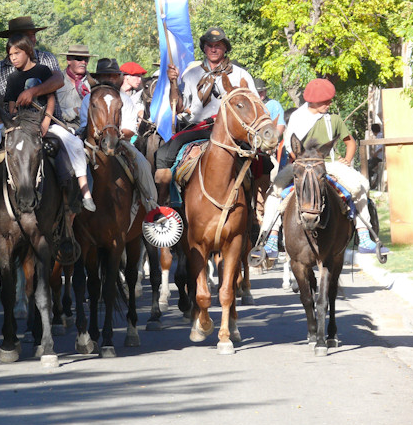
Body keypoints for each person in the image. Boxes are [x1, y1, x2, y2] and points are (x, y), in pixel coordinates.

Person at [254, 78, 386, 260]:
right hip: (300, 164)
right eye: (326, 101)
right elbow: (292, 151)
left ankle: (364, 236)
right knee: (275, 192)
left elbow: (350, 143)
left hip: (329, 164)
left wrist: (347, 160)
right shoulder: (297, 118)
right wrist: (299, 166)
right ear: (313, 101)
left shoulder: (334, 119)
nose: (329, 104)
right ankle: (269, 239)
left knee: (359, 186)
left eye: (330, 100)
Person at [0, 32, 95, 211]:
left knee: (75, 144)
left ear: (28, 50)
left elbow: (51, 97)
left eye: (17, 54)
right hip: (19, 125)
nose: (13, 58)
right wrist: (11, 116)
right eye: (10, 55)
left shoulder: (44, 69)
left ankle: (85, 192)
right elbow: (10, 104)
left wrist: (46, 120)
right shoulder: (11, 77)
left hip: (44, 122)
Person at [154, 27, 257, 202]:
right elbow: (178, 107)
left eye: (218, 45)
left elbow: (253, 106)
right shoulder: (192, 74)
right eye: (210, 45)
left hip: (230, 131)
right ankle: (163, 204)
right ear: (204, 48)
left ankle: (255, 210)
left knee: (260, 162)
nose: (214, 49)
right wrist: (173, 83)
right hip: (198, 128)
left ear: (225, 48)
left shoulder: (240, 75)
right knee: (163, 155)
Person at [0, 16, 66, 191]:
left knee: (74, 149)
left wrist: (32, 92)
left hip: (49, 123)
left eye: (33, 35)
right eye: (28, 35)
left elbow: (58, 80)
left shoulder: (46, 60)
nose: (33, 39)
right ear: (15, 39)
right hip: (14, 126)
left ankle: (76, 195)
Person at [78, 58, 159, 214]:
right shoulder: (89, 99)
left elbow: (130, 129)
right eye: (105, 76)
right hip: (91, 144)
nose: (109, 79)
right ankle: (69, 209)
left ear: (118, 78)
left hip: (120, 142)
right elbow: (83, 125)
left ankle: (151, 206)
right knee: (72, 165)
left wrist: (117, 134)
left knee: (143, 164)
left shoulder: (125, 99)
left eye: (112, 76)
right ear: (98, 78)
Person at [253, 78, 286, 228]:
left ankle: (265, 215)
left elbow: (279, 126)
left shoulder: (273, 105)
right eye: (258, 91)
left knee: (272, 175)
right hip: (249, 148)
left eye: (262, 91)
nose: (260, 94)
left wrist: (271, 141)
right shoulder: (250, 105)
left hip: (266, 150)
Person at [55, 43, 96, 131]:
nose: (83, 63)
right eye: (79, 59)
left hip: (89, 130)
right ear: (68, 60)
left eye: (86, 60)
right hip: (61, 128)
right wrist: (74, 111)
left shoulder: (93, 84)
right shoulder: (56, 81)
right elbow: (51, 109)